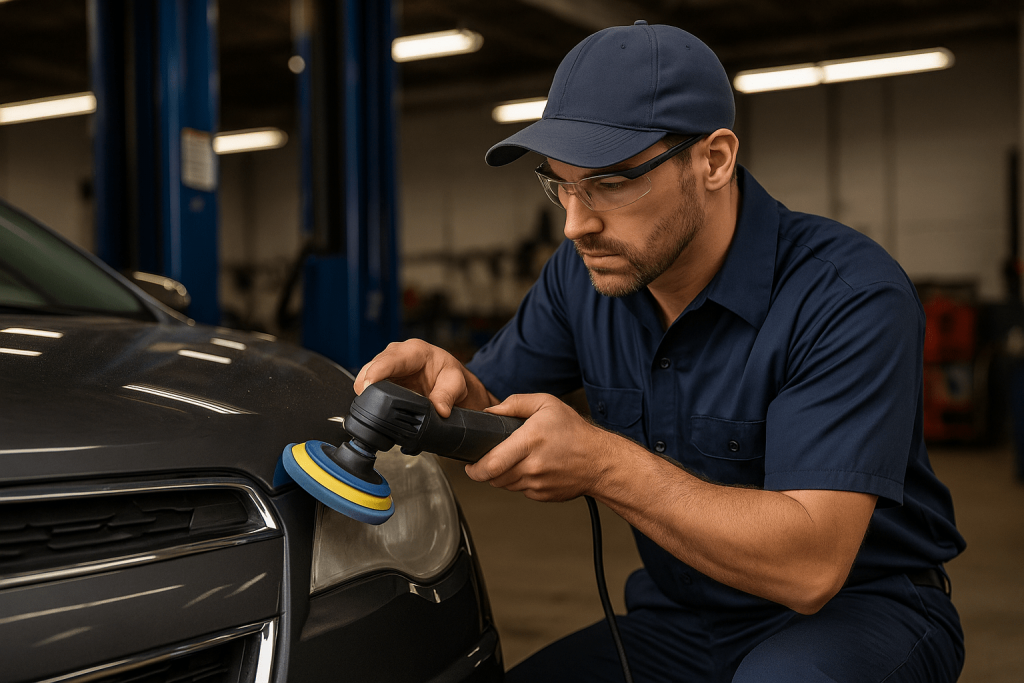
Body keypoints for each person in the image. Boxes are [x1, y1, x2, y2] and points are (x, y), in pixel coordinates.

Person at [355, 20, 966, 683]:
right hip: (682, 617)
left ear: (714, 159)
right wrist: (457, 399)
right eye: (559, 183)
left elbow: (811, 566)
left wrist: (604, 463)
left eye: (611, 183)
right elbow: (500, 410)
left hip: (862, 610)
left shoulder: (846, 295)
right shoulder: (581, 276)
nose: (576, 223)